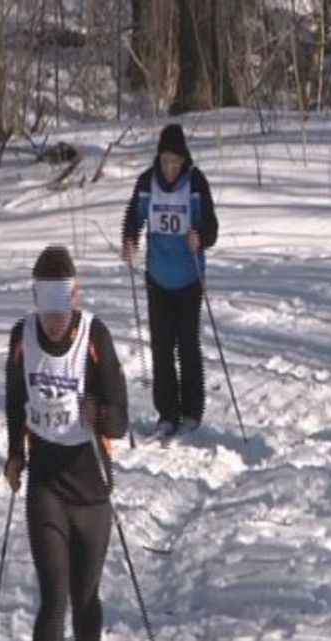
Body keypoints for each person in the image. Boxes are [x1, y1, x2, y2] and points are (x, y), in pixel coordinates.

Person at [4, 245, 128, 641]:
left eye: (62, 305)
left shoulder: (96, 335)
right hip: (46, 486)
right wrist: (14, 455)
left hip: (92, 489)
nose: (55, 320)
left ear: (76, 296)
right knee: (53, 599)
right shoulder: (22, 336)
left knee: (85, 598)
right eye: (47, 306)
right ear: (36, 298)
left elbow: (122, 421)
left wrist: (101, 416)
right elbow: (15, 401)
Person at [121, 124, 218, 437]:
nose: (170, 167)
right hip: (158, 276)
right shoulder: (147, 182)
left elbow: (213, 228)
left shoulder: (196, 182)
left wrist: (201, 238)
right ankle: (167, 414)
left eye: (175, 161)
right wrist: (130, 240)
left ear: (184, 159)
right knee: (162, 347)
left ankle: (191, 410)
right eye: (165, 161)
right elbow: (133, 218)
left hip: (189, 277)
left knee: (187, 344)